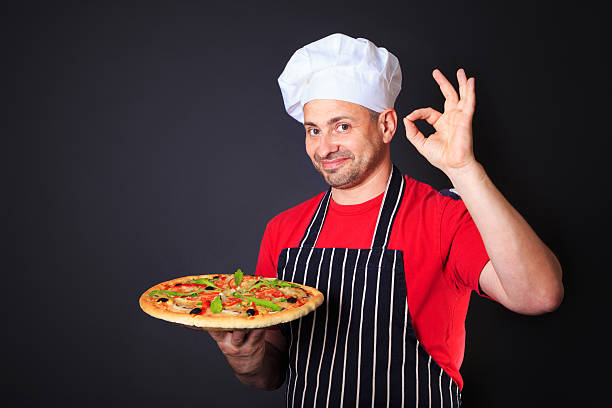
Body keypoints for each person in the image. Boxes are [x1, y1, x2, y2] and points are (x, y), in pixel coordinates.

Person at [208, 33, 563, 407]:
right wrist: (244, 356)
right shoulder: (283, 230)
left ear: (387, 126)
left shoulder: (442, 216)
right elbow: (272, 372)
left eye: (341, 126)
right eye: (314, 130)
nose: (324, 146)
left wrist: (464, 170)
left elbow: (539, 295)